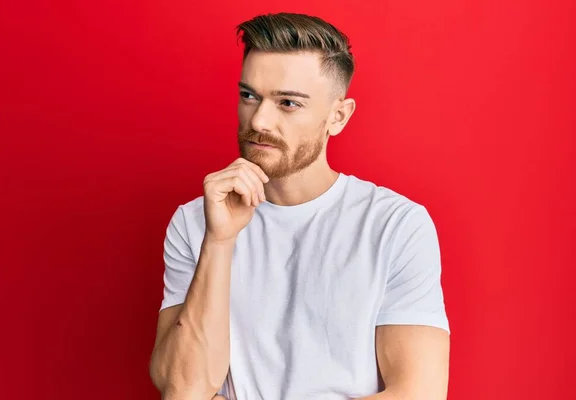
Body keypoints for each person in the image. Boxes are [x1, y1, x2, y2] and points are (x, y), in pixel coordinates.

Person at [149, 12, 450, 400]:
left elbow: (418, 394)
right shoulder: (195, 222)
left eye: (288, 103)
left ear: (337, 116)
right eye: (248, 95)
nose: (259, 119)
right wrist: (219, 242)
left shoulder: (395, 225)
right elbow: (183, 390)